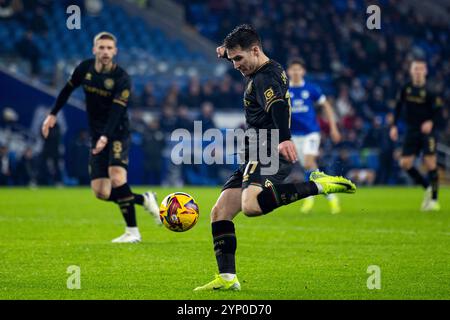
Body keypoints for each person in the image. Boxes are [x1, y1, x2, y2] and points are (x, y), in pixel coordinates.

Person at [194, 25, 356, 291]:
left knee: (251, 206)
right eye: (232, 59)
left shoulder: (264, 79)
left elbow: (278, 106)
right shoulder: (264, 65)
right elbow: (241, 55)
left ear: (255, 50)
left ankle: (318, 185)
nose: (235, 66)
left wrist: (284, 138)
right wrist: (225, 52)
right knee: (220, 212)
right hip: (255, 150)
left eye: (238, 59)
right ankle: (227, 278)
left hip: (268, 148)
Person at [41, 32, 160, 243]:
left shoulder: (122, 78)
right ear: (94, 49)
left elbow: (116, 111)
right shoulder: (84, 69)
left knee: (117, 178)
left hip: (118, 132)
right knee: (101, 192)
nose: (105, 52)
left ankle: (132, 232)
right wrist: (52, 114)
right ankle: (144, 199)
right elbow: (66, 91)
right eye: (101, 47)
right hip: (97, 134)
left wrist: (106, 136)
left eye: (109, 48)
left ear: (115, 52)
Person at [287, 58, 342, 214]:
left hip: (311, 133)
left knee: (309, 163)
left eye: (299, 69)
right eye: (293, 69)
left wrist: (334, 128)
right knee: (310, 168)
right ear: (289, 72)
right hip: (294, 135)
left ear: (303, 71)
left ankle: (308, 198)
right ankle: (331, 197)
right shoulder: (284, 91)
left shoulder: (311, 89)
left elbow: (327, 106)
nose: (296, 72)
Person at [390, 58, 443, 211]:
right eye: (415, 69)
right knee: (404, 164)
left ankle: (434, 199)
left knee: (430, 162)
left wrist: (431, 122)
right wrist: (394, 126)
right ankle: (427, 187)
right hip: (411, 130)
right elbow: (398, 108)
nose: (418, 72)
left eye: (420, 69)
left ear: (425, 71)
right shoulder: (405, 88)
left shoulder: (432, 90)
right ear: (411, 71)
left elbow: (440, 113)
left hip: (428, 131)